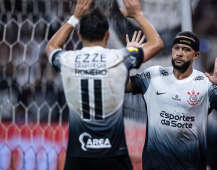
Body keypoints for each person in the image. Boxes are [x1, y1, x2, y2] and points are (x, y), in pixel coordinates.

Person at [45, 0, 163, 169]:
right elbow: (157, 44)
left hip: (79, 154)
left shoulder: (67, 60)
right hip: (114, 154)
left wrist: (75, 17)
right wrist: (138, 15)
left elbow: (51, 46)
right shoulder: (121, 58)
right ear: (107, 35)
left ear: (79, 34)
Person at [126, 31, 217, 170]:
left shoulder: (205, 83)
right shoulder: (153, 75)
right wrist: (128, 60)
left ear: (196, 55)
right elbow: (122, 86)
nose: (180, 53)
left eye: (186, 49)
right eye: (177, 48)